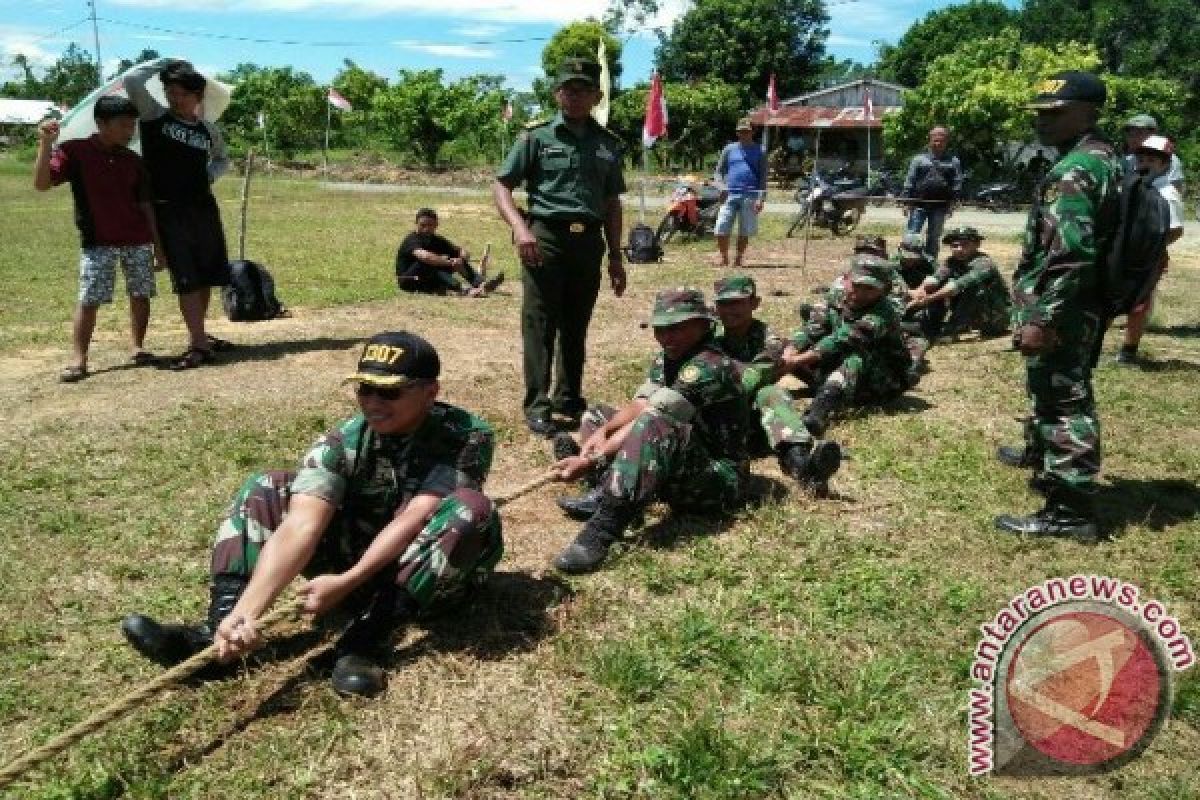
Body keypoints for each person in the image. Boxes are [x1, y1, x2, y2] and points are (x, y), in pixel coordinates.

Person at [120, 332, 504, 697]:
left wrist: (347, 582)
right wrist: (248, 611)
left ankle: (365, 643)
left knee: (469, 509)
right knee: (267, 486)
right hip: (355, 562)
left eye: (389, 391)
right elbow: (302, 524)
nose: (372, 401)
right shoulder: (345, 439)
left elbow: (416, 517)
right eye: (364, 388)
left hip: (425, 578)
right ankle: (219, 635)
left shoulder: (467, 435)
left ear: (430, 392)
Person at [994, 71, 1121, 540]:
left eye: (1055, 113)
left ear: (1089, 111)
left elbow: (1070, 256)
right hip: (1083, 305)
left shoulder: (1075, 170)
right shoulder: (1106, 159)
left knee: (1066, 401)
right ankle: (1047, 460)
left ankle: (1071, 511)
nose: (1042, 123)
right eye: (1039, 114)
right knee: (1059, 391)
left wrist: (1043, 317)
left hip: (1065, 309)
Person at [550, 288, 750, 574]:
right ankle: (609, 485)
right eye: (660, 330)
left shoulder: (710, 366)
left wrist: (592, 458)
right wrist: (603, 431)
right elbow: (642, 402)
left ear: (704, 325)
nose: (666, 338)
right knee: (596, 414)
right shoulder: (668, 356)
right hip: (673, 456)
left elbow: (655, 416)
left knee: (653, 426)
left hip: (717, 478)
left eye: (676, 329)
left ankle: (605, 525)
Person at [493, 58, 627, 438]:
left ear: (595, 95)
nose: (574, 95)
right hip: (544, 239)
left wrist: (616, 256)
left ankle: (568, 396)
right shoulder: (536, 137)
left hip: (588, 242)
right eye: (567, 88)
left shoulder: (607, 144)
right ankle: (538, 404)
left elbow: (612, 203)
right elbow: (502, 186)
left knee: (576, 323)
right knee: (540, 323)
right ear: (556, 93)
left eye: (582, 88)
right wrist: (520, 228)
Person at [32, 97, 164, 383]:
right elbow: (42, 184)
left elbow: (145, 206)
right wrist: (45, 145)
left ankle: (138, 347)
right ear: (101, 123)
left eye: (133, 125)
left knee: (140, 293)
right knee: (89, 298)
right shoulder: (74, 152)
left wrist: (158, 246)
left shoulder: (134, 161)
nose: (130, 131)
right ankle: (79, 359)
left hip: (137, 238)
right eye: (123, 125)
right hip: (98, 241)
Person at [124, 58, 234, 371]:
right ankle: (199, 342)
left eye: (184, 93)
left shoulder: (208, 130)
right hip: (168, 210)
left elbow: (223, 160)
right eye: (171, 91)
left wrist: (209, 176)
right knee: (185, 277)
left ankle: (197, 336)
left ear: (198, 97)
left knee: (206, 275)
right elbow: (133, 80)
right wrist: (166, 62)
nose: (177, 98)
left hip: (203, 208)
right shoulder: (154, 117)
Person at [712, 275, 843, 494]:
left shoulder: (768, 340)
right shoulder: (707, 335)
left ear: (755, 303)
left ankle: (802, 465)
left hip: (748, 421)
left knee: (771, 393)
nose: (729, 310)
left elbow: (753, 377)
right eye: (723, 304)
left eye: (737, 303)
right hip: (709, 419)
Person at [781, 255, 913, 437]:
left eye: (869, 288)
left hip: (879, 381)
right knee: (779, 347)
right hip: (837, 369)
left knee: (856, 355)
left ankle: (818, 413)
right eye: (856, 285)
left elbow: (843, 340)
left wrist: (797, 361)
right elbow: (812, 328)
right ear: (846, 279)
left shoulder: (883, 314)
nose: (860, 293)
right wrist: (790, 352)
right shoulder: (835, 297)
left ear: (885, 289)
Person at [1117, 135, 1186, 365]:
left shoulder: (1167, 194)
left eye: (1152, 160)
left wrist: (1154, 247)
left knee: (1140, 302)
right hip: (1124, 252)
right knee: (1112, 294)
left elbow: (1175, 229)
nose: (1144, 163)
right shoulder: (1131, 187)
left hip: (1150, 257)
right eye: (1141, 158)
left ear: (1165, 165)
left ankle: (1129, 349)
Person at [907, 226, 1011, 340]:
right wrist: (919, 292)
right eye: (955, 246)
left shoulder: (984, 263)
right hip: (973, 316)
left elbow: (955, 287)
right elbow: (934, 279)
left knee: (973, 288)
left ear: (977, 245)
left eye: (965, 245)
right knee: (939, 285)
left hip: (995, 318)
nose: (959, 249)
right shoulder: (952, 261)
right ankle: (932, 323)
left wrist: (927, 299)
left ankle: (953, 328)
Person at [395, 208, 504, 297]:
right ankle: (462, 290)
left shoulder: (437, 240)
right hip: (408, 281)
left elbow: (461, 251)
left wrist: (462, 257)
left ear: (436, 225)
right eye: (422, 225)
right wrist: (448, 262)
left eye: (430, 225)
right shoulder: (411, 239)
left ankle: (481, 284)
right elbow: (425, 257)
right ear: (416, 224)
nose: (426, 229)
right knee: (428, 262)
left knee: (455, 260)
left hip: (426, 279)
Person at [902, 126, 963, 258]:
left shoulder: (953, 161)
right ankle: (908, 262)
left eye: (941, 140)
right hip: (918, 205)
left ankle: (930, 264)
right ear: (930, 141)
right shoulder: (918, 159)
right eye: (935, 140)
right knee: (911, 235)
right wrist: (906, 202)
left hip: (940, 207)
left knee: (934, 237)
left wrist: (953, 203)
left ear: (946, 142)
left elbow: (957, 183)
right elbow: (910, 180)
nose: (938, 143)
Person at [713, 118, 767, 267]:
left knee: (744, 230)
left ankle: (739, 258)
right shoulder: (729, 149)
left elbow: (763, 177)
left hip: (750, 195)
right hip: (729, 194)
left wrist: (760, 198)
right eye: (741, 132)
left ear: (752, 132)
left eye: (747, 131)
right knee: (721, 228)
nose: (744, 134)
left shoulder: (760, 150)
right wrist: (721, 187)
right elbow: (717, 173)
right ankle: (723, 257)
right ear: (737, 133)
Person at [1122, 114, 1185, 193]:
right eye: (1130, 134)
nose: (1133, 138)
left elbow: (1176, 189)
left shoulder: (1168, 159)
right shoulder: (1129, 159)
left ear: (1152, 134)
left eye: (1139, 133)